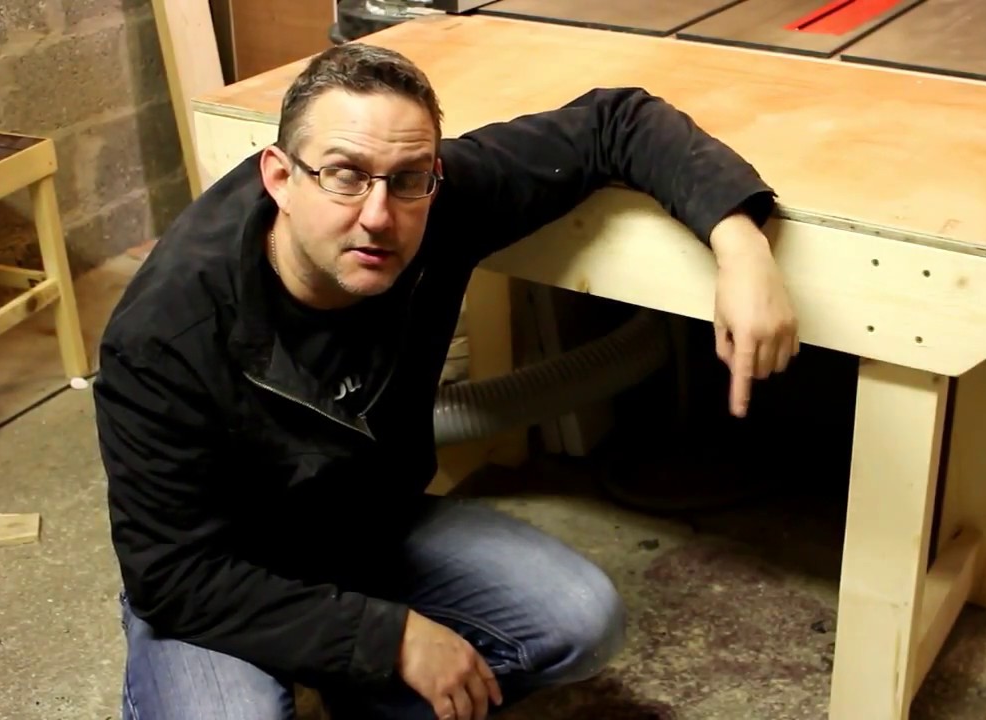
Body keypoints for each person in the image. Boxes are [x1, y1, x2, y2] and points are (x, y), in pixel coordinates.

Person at [95, 40, 799, 720]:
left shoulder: (433, 199)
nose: (378, 216)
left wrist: (741, 246)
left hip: (364, 528)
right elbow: (172, 576)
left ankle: (367, 700)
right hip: (222, 574)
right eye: (344, 175)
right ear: (280, 177)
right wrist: (391, 638)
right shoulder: (164, 333)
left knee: (580, 619)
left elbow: (616, 121)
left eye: (408, 179)